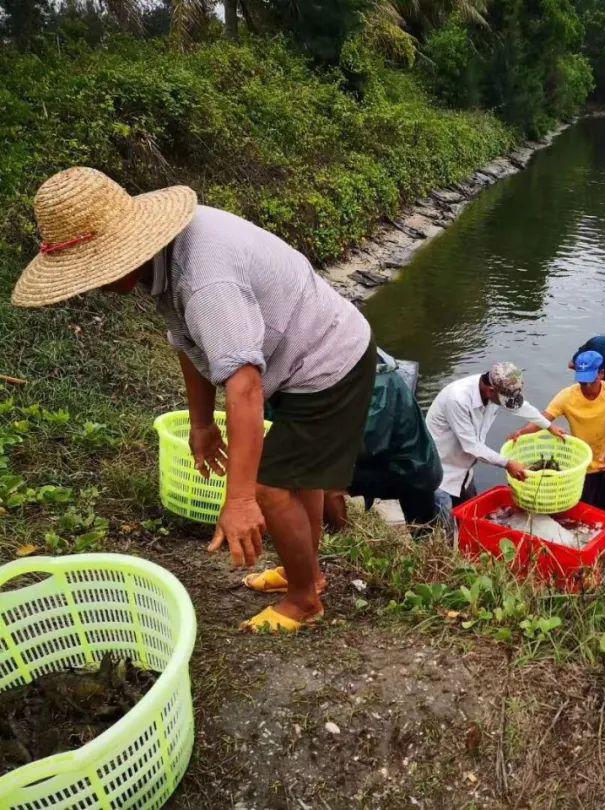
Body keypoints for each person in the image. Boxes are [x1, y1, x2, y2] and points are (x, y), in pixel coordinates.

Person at [12, 167, 376, 633]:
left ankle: (305, 600)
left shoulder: (205, 280)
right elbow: (192, 344)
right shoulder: (165, 256)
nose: (93, 284)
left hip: (328, 361)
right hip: (298, 353)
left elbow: (242, 385)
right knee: (295, 475)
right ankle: (306, 572)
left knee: (270, 486)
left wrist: (240, 498)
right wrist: (203, 424)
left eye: (95, 269)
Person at [427, 363, 565, 515]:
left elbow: (522, 407)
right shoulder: (457, 399)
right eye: (506, 400)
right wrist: (507, 464)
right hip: (441, 471)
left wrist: (548, 426)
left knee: (470, 517)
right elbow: (471, 446)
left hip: (464, 470)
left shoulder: (494, 392)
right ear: (490, 390)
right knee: (443, 524)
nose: (509, 404)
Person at [323, 359, 443, 535]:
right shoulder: (376, 377)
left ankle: (339, 537)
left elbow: (367, 445)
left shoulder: (379, 386)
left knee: (326, 484)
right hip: (411, 465)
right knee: (423, 528)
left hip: (408, 471)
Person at [512, 351, 605, 511]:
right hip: (578, 466)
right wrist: (522, 432)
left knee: (603, 509)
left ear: (601, 374)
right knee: (579, 510)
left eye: (590, 381)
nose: (586, 387)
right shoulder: (566, 396)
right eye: (582, 382)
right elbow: (543, 420)